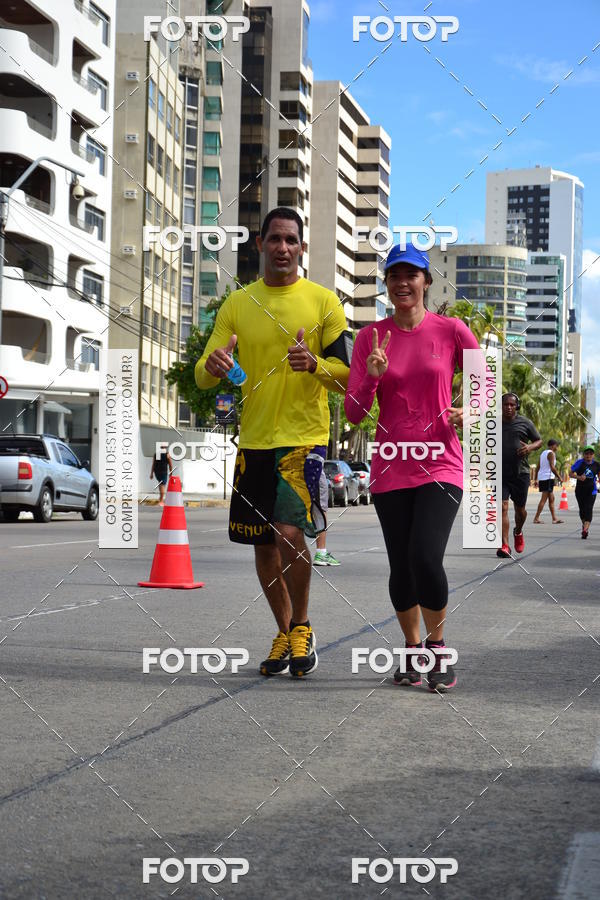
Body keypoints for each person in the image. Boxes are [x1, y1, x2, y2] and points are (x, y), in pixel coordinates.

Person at [195, 207, 352, 678]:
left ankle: (302, 625)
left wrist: (315, 364)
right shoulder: (237, 304)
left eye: (291, 240)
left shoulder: (324, 302)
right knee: (262, 544)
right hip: (254, 442)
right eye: (275, 239)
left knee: (288, 533)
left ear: (302, 247)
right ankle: (284, 633)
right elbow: (202, 374)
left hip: (303, 439)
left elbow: (348, 377)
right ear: (260, 243)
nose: (283, 247)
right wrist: (214, 365)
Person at [344, 242, 481, 692]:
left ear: (426, 281)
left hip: (441, 462)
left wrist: (470, 411)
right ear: (386, 284)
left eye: (411, 274)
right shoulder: (370, 338)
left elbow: (485, 385)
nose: (402, 283)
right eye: (394, 275)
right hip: (391, 466)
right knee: (401, 566)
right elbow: (354, 413)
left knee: (425, 555)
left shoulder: (452, 330)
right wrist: (373, 376)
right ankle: (411, 648)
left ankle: (437, 646)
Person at [498, 393, 542, 557]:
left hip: (520, 473)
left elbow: (539, 441)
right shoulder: (493, 423)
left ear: (517, 406)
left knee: (520, 510)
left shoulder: (525, 423)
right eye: (506, 404)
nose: (509, 407)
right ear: (501, 406)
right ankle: (505, 545)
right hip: (500, 473)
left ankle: (518, 531)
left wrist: (530, 447)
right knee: (503, 507)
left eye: (512, 404)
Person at [570, 446, 600, 539]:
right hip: (580, 490)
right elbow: (570, 473)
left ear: (593, 455)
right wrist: (579, 477)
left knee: (589, 508)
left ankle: (585, 530)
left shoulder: (597, 465)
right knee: (582, 510)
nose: (588, 455)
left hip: (592, 490)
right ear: (584, 454)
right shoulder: (579, 463)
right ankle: (584, 526)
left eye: (591, 453)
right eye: (587, 453)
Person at [533, 439, 564, 524]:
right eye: (556, 445)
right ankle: (536, 518)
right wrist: (559, 477)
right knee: (543, 499)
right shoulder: (551, 453)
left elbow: (538, 467)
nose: (557, 447)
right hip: (548, 478)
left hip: (543, 478)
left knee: (551, 498)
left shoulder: (543, 453)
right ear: (552, 445)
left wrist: (536, 479)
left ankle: (554, 519)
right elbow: (552, 467)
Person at [313, 469, 340, 566]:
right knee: (320, 509)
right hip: (314, 470)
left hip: (291, 471)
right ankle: (321, 553)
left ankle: (290, 553)